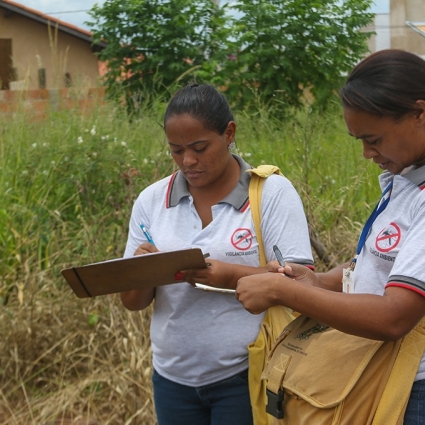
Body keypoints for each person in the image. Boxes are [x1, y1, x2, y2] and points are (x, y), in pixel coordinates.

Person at [235, 49, 425, 425]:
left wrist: (286, 292)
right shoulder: (404, 178)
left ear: (420, 113)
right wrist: (319, 281)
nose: (367, 153)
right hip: (380, 371)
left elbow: (393, 317)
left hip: (414, 389)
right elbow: (382, 261)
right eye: (359, 140)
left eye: (373, 138)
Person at [120, 83, 314, 425]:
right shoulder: (151, 202)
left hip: (248, 373)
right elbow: (133, 302)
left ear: (229, 133)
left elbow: (303, 285)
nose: (188, 161)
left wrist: (230, 275)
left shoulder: (270, 194)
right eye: (176, 150)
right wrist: (143, 270)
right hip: (172, 379)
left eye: (199, 147)